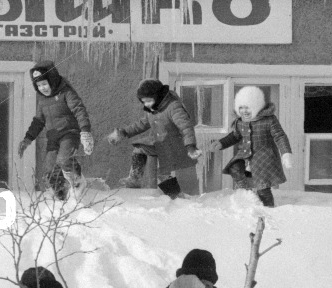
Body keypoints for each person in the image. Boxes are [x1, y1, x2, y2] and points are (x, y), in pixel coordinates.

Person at [108, 79, 200, 198]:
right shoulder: (153, 108)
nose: (146, 105)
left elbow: (186, 127)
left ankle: (176, 196)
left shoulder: (174, 107)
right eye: (144, 102)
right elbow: (142, 124)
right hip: (160, 143)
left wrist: (191, 146)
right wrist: (124, 132)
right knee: (139, 149)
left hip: (174, 147)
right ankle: (135, 178)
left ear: (158, 96)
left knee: (163, 173)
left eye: (149, 101)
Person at [17, 61, 94, 200]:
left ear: (52, 80)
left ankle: (77, 182)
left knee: (64, 160)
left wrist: (85, 131)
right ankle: (61, 196)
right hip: (53, 136)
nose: (42, 88)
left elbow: (79, 110)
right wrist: (27, 139)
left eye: (45, 84)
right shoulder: (42, 99)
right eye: (39, 85)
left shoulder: (66, 92)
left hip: (69, 133)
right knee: (50, 169)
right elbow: (39, 121)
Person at [209, 86, 292, 208]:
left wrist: (286, 153)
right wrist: (221, 143)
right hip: (245, 155)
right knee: (235, 168)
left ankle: (268, 208)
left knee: (262, 186)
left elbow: (280, 136)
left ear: (257, 106)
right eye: (241, 107)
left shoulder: (269, 120)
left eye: (247, 107)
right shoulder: (240, 122)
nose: (244, 111)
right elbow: (235, 136)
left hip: (264, 157)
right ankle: (246, 191)